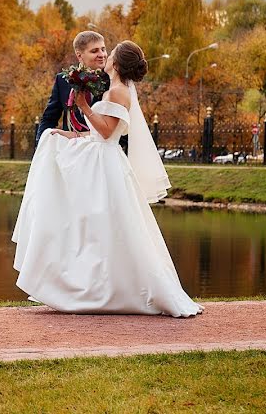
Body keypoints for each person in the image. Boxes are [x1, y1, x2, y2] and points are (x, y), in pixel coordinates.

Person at [13, 40, 203, 317]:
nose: (106, 55)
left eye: (110, 53)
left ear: (117, 63)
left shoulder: (117, 92)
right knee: (100, 229)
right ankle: (97, 285)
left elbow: (105, 133)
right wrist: (66, 135)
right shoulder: (116, 90)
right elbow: (99, 134)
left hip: (106, 166)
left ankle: (110, 289)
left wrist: (83, 106)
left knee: (111, 227)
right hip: (102, 161)